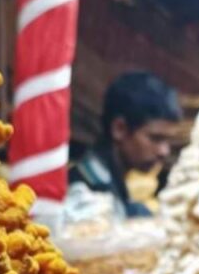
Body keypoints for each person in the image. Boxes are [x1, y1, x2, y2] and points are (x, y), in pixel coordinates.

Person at [67, 72, 181, 220]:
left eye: (167, 141)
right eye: (155, 138)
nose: (164, 151)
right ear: (119, 129)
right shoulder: (85, 194)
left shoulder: (113, 186)